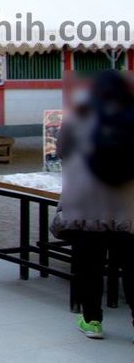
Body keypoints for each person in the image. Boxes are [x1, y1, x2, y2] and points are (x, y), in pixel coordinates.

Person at [50, 70, 134, 340]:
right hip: (126, 209)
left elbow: (61, 150)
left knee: (88, 267)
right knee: (132, 269)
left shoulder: (78, 117)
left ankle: (92, 321)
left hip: (85, 207)